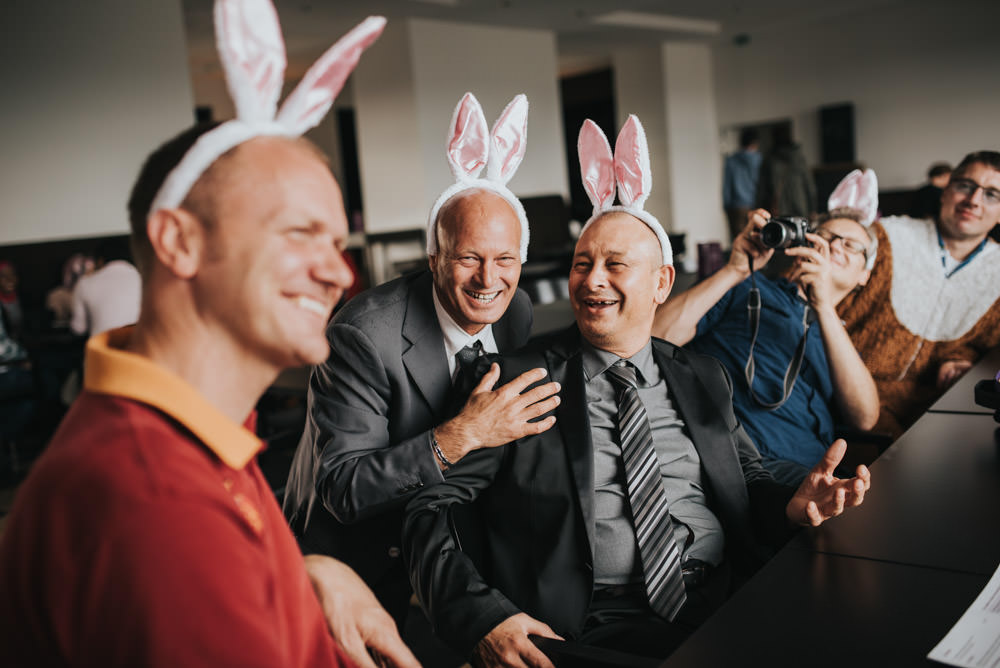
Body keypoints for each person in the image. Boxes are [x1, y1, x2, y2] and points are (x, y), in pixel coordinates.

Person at [0, 5, 418, 667]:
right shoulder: (154, 503)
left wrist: (306, 573)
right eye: (299, 233)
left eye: (337, 243)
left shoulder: (188, 438)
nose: (338, 271)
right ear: (179, 241)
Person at [403, 116, 870, 666]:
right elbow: (430, 509)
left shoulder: (700, 375)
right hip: (591, 623)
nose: (592, 280)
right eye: (583, 264)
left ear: (661, 283)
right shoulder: (515, 379)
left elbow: (747, 475)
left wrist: (793, 503)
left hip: (724, 594)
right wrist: (480, 616)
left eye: (615, 265)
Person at [283, 92, 559, 626]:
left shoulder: (516, 309)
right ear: (434, 259)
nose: (488, 279)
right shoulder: (362, 336)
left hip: (443, 535)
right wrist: (464, 435)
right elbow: (345, 488)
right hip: (350, 552)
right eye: (468, 258)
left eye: (505, 260)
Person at [654, 169, 880, 485]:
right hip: (735, 460)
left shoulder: (840, 338)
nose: (835, 247)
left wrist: (824, 306)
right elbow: (653, 337)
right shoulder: (746, 286)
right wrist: (733, 270)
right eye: (826, 237)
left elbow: (865, 418)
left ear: (864, 275)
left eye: (851, 245)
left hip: (811, 471)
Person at [838, 150, 1000, 437]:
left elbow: (990, 349)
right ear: (945, 190)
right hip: (845, 396)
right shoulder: (885, 236)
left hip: (941, 413)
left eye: (991, 194)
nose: (973, 200)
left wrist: (961, 360)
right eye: (965, 185)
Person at [70, 237, 141, 336]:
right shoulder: (143, 277)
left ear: (100, 260)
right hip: (138, 347)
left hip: (102, 348)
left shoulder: (85, 283)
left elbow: (78, 328)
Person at [756, 125, 816, 218]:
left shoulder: (770, 160)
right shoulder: (799, 158)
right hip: (800, 204)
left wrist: (760, 208)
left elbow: (762, 189)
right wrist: (812, 208)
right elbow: (809, 185)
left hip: (779, 207)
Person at [722, 128, 762, 241]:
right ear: (755, 143)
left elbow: (727, 186)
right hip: (757, 207)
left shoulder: (731, 161)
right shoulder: (760, 160)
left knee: (740, 241)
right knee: (758, 241)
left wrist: (726, 206)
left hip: (737, 208)